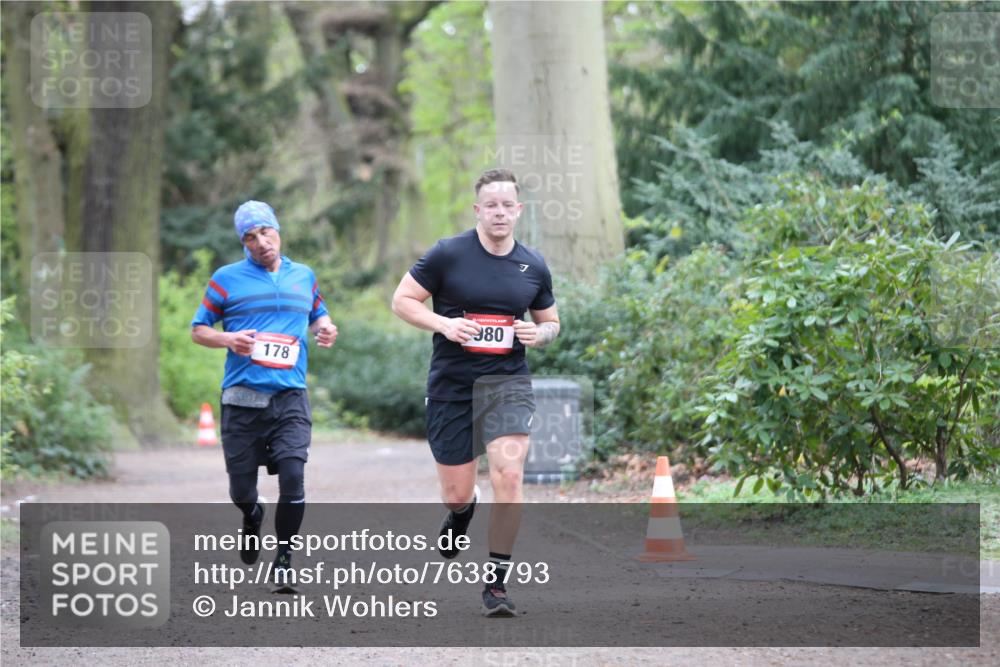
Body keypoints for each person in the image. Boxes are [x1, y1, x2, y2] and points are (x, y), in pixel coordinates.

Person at [391, 168, 561, 616]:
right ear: (478, 210)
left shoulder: (533, 264)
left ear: (519, 210)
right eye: (492, 205)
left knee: (509, 473)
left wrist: (536, 335)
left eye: (508, 205)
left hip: (507, 383)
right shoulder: (448, 255)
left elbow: (552, 324)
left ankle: (497, 584)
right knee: (455, 492)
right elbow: (402, 300)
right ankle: (463, 513)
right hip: (451, 386)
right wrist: (444, 323)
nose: (500, 213)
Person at [191, 200, 337, 593]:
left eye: (265, 232)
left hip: (290, 395)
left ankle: (285, 561)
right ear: (243, 242)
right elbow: (198, 329)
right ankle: (252, 515)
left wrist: (325, 326)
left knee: (294, 476)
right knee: (241, 490)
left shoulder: (303, 276)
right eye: (250, 237)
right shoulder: (226, 279)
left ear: (278, 231)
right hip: (242, 397)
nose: (260, 242)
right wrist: (227, 338)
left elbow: (318, 312)